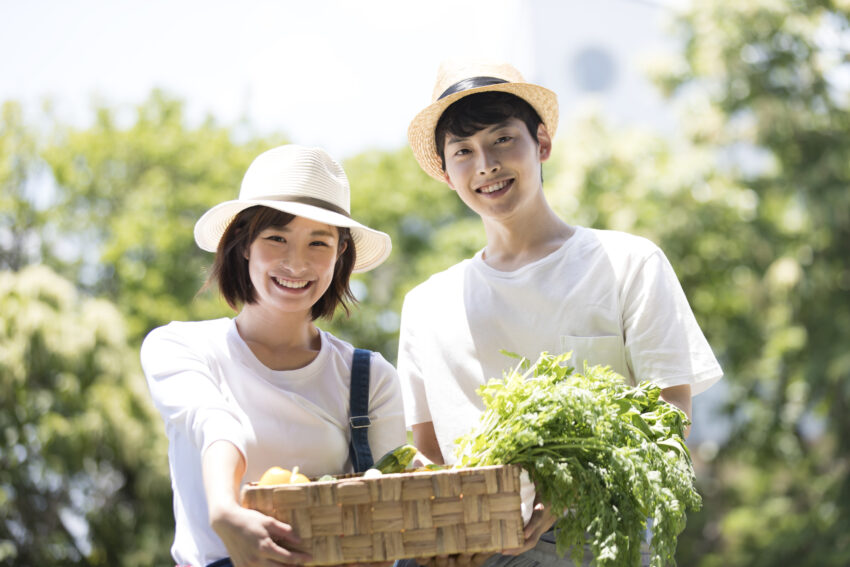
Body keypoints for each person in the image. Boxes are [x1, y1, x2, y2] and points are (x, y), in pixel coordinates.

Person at [397, 60, 723, 567]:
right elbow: (429, 454)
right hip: (477, 551)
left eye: (503, 139)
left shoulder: (627, 263)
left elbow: (670, 420)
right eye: (463, 151)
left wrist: (570, 489)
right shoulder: (425, 304)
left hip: (602, 537)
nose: (485, 164)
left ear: (542, 144)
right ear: (445, 172)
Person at [141, 145, 406, 567]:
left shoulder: (370, 378)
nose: (295, 262)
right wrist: (225, 510)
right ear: (244, 244)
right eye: (276, 237)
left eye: (318, 242)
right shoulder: (180, 348)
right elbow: (216, 421)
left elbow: (392, 517)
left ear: (340, 255)